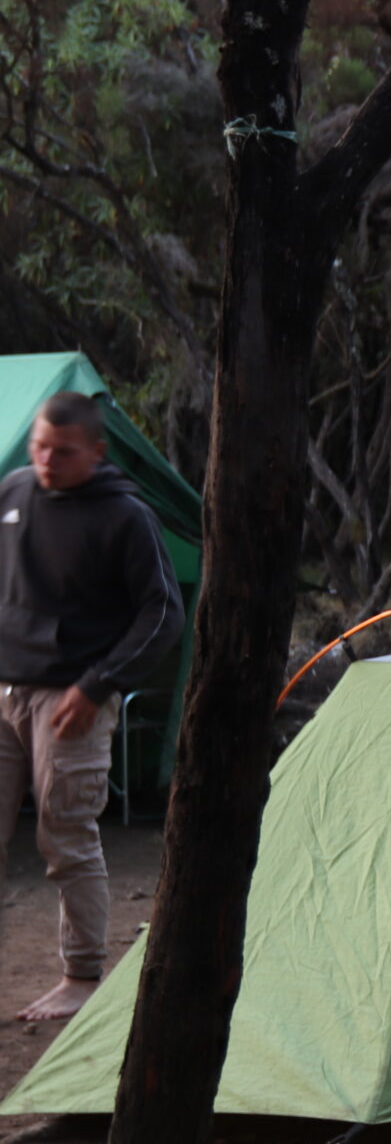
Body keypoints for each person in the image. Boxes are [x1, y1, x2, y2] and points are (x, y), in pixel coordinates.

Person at [0, 391, 181, 1021]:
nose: (48, 460)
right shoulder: (15, 493)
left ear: (95, 452)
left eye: (64, 451)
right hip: (6, 689)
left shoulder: (124, 515)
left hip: (72, 697)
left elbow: (163, 613)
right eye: (40, 447)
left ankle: (81, 975)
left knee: (65, 835)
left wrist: (99, 684)